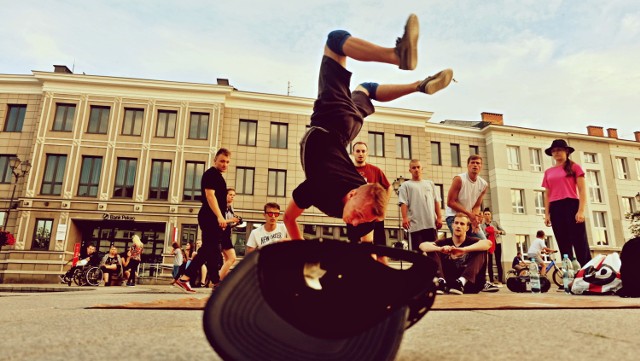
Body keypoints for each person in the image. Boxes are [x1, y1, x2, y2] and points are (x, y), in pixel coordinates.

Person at [283, 14, 454, 240]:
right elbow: (288, 218)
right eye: (357, 215)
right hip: (330, 121)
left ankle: (419, 86)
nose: (352, 222)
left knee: (366, 89)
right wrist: (301, 250)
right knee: (335, 41)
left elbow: (367, 244)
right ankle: (396, 55)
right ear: (353, 193)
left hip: (348, 129)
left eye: (359, 220)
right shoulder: (319, 187)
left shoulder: (364, 211)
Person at [175, 148, 231, 293]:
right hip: (210, 216)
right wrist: (220, 216)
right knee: (208, 249)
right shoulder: (211, 174)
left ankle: (216, 282)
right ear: (215, 160)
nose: (225, 164)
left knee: (212, 250)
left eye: (227, 162)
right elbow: (210, 196)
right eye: (222, 161)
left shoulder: (218, 176)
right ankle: (184, 278)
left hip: (212, 217)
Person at [445, 154, 497, 292]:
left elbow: (476, 206)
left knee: (483, 244)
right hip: (454, 217)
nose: (475, 165)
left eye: (478, 163)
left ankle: (482, 281)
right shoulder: (459, 179)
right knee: (460, 246)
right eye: (473, 162)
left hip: (469, 218)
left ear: (481, 166)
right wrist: (469, 215)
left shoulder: (483, 184)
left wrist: (475, 220)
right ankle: (451, 280)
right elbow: (450, 202)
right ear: (468, 165)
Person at [542, 139, 591, 267]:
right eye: (553, 151)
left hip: (572, 205)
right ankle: (569, 275)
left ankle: (586, 273)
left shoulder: (575, 167)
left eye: (559, 150)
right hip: (555, 208)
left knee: (580, 242)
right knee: (563, 242)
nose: (556, 153)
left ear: (566, 151)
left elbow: (582, 189)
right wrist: (547, 214)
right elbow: (547, 194)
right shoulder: (548, 172)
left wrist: (581, 210)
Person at [418, 213, 492, 295]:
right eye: (456, 223)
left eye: (462, 224)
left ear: (467, 228)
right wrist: (440, 249)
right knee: (432, 248)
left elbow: (488, 243)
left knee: (481, 249)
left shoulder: (472, 241)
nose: (458, 226)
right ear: (452, 225)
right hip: (449, 285)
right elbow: (422, 246)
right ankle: (440, 281)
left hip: (471, 285)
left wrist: (463, 250)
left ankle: (461, 281)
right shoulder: (444, 242)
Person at [350, 141, 392, 264]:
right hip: (356, 217)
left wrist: (383, 207)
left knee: (380, 251)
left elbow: (388, 187)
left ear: (367, 153)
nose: (360, 153)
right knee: (358, 251)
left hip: (375, 216)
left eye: (363, 151)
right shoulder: (348, 170)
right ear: (353, 153)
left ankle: (383, 279)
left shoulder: (375, 170)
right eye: (358, 151)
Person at [398, 159, 442, 252]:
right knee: (418, 253)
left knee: (434, 252)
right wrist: (405, 218)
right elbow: (403, 202)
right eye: (414, 168)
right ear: (410, 170)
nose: (416, 169)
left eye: (418, 167)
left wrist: (439, 217)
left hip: (431, 224)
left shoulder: (430, 184)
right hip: (415, 225)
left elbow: (436, 201)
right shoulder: (405, 185)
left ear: (422, 169)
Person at [219, 188, 241, 281]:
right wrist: (232, 220)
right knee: (232, 258)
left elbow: (228, 224)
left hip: (227, 233)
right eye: (230, 194)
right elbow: (220, 222)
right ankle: (217, 280)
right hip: (222, 234)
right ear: (225, 195)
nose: (232, 197)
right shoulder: (221, 206)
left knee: (227, 259)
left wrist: (236, 223)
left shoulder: (231, 207)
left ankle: (220, 281)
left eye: (233, 195)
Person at [480, 208, 506, 284]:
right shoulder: (482, 226)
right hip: (488, 244)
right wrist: (487, 234)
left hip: (497, 243)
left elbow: (504, 232)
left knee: (498, 261)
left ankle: (500, 280)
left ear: (491, 215)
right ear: (483, 216)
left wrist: (499, 232)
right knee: (489, 262)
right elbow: (481, 236)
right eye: (485, 214)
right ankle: (491, 280)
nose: (487, 215)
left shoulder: (495, 223)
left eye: (488, 214)